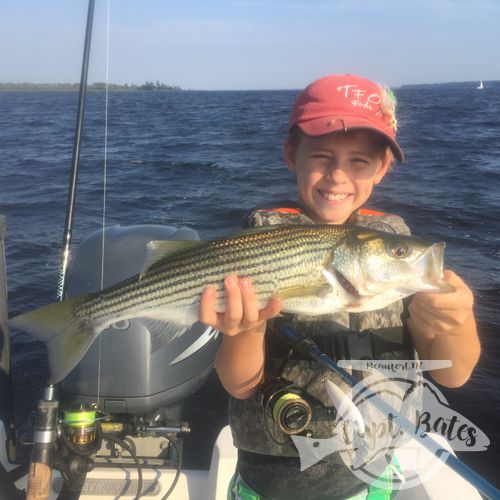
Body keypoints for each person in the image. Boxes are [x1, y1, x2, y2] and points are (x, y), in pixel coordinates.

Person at [199, 74, 480, 499]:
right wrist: (246, 330)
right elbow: (239, 384)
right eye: (322, 156)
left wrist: (456, 323)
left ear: (382, 168)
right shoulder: (259, 245)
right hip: (272, 480)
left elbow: (455, 374)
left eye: (359, 162)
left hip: (375, 473)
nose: (337, 177)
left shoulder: (391, 254)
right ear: (291, 154)